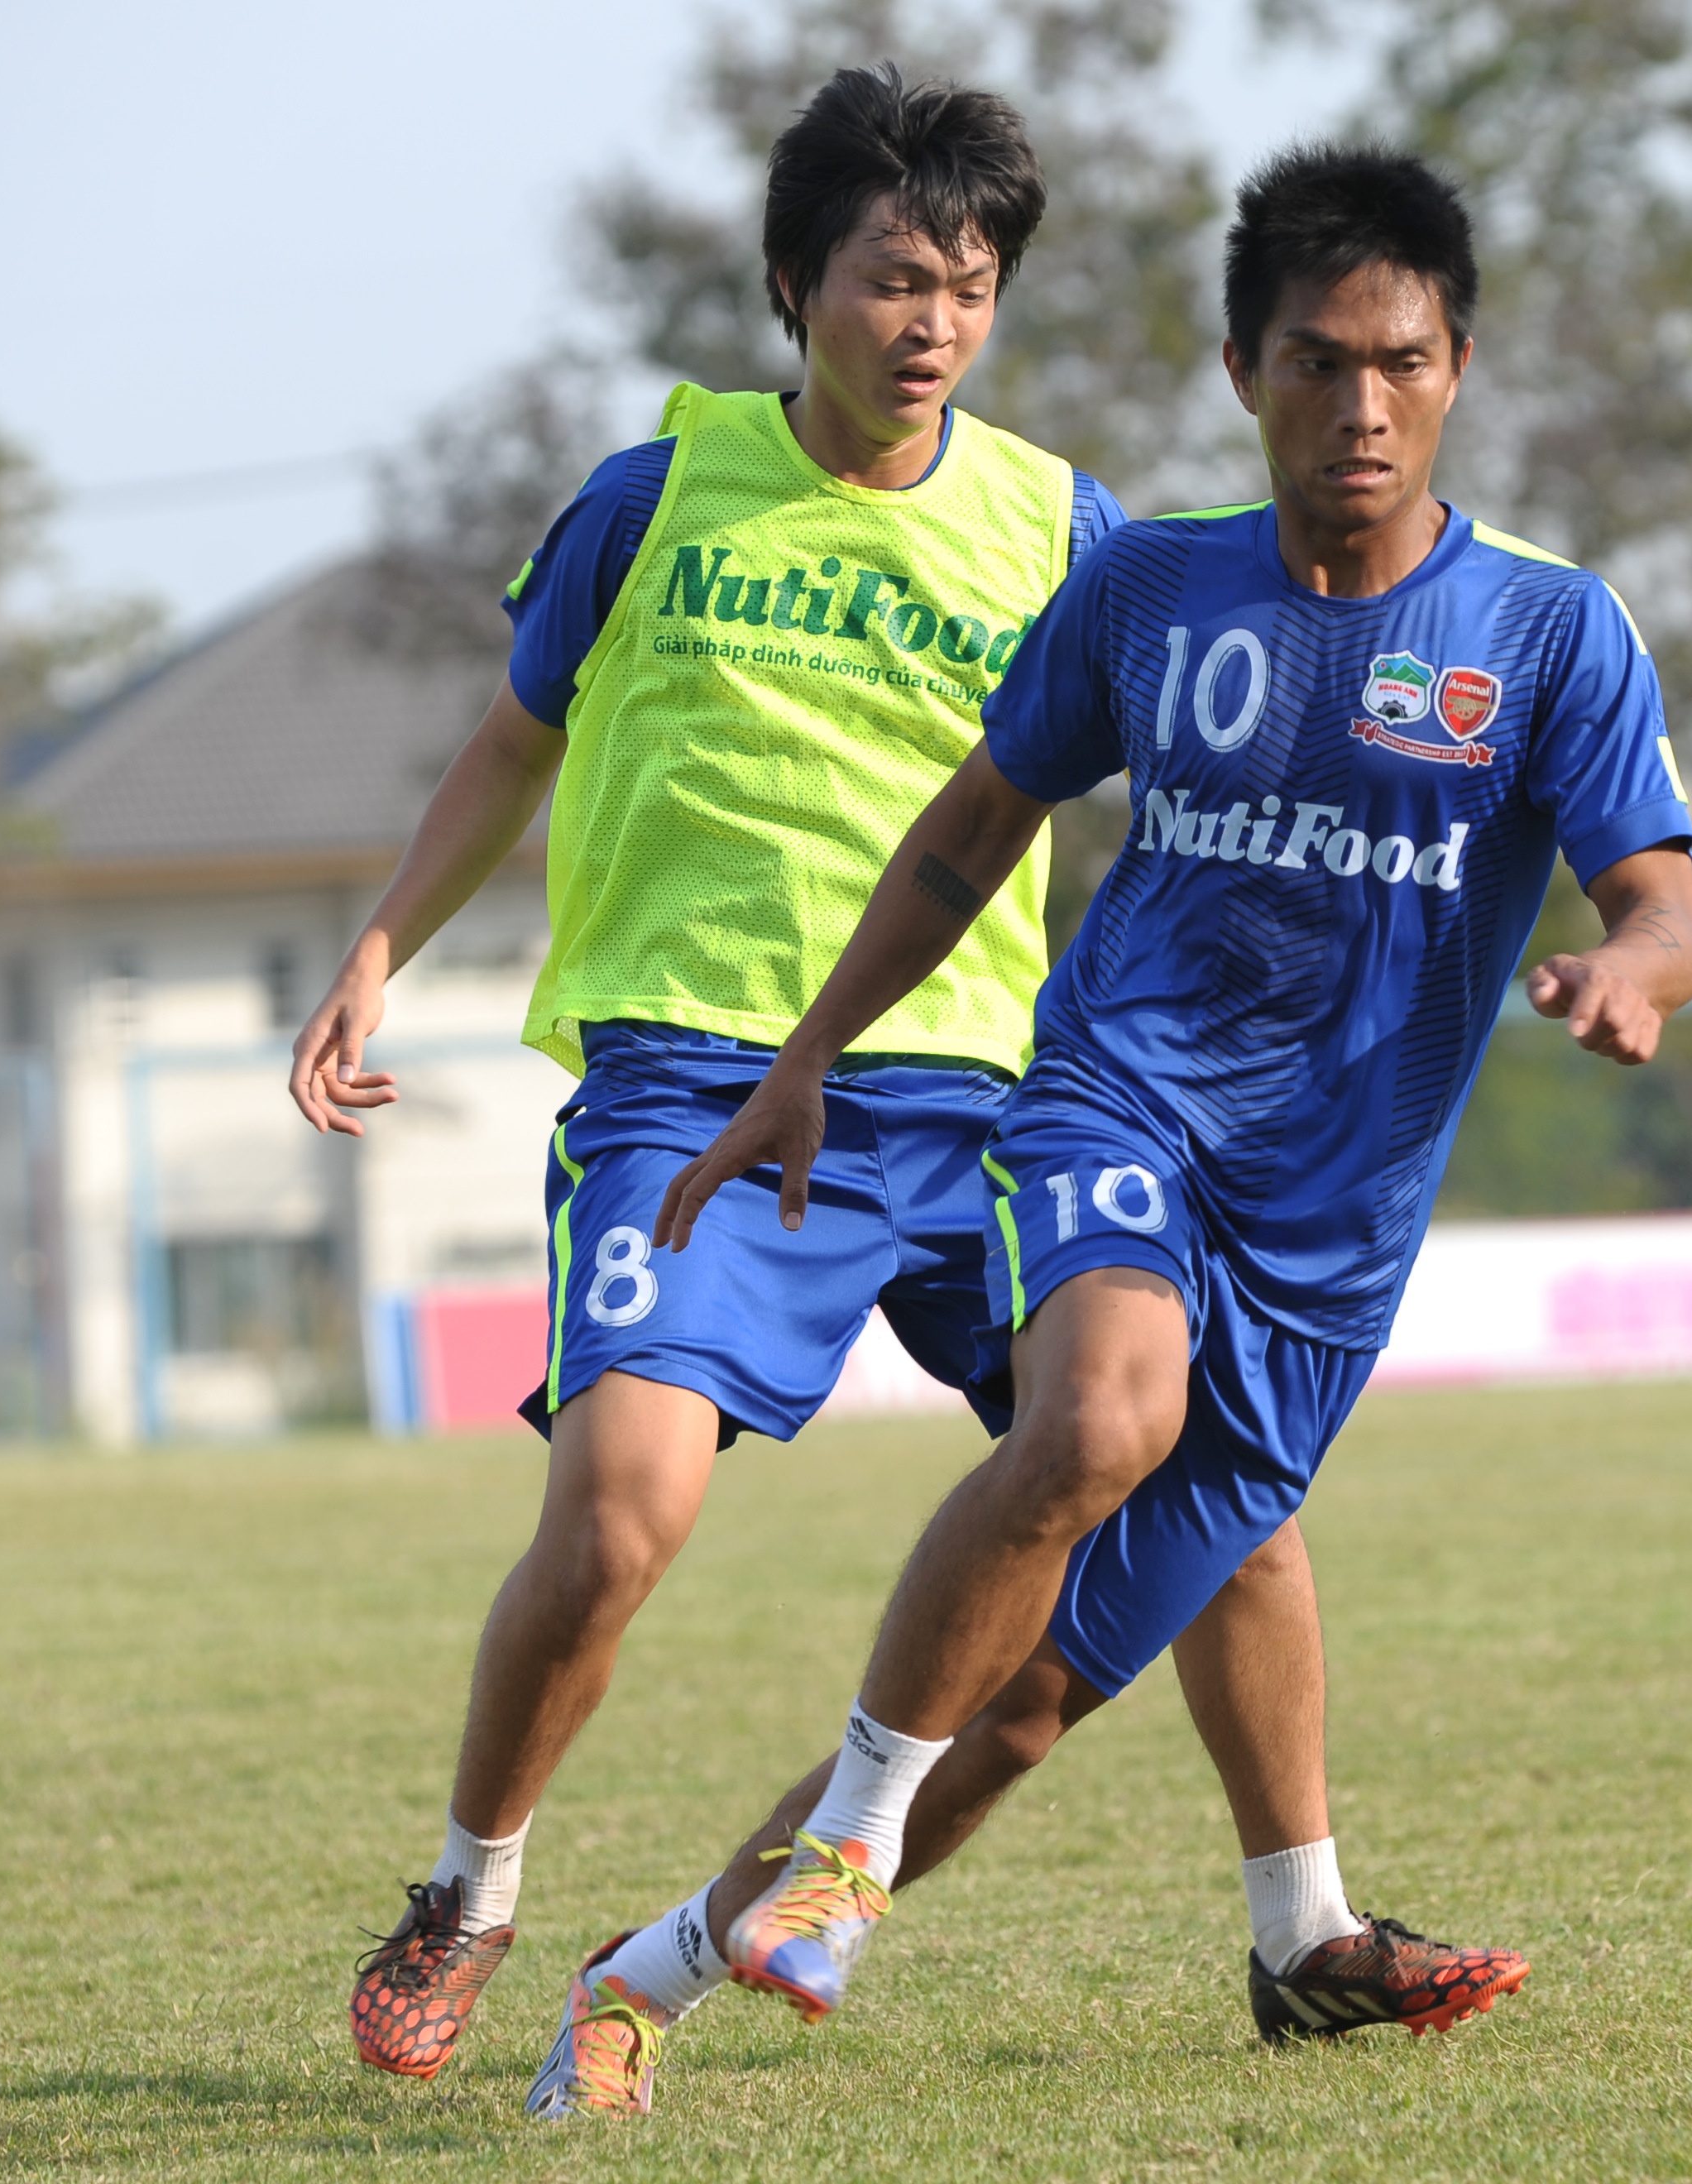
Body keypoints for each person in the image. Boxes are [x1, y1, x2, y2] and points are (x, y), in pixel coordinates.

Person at [292, 67, 1439, 2102]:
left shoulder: (1065, 529)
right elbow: (512, 740)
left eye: (970, 288)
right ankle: (467, 1895)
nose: (933, 324)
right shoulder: (655, 496)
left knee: (1207, 1476)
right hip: (697, 1091)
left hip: (993, 1097)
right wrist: (386, 943)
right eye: (895, 280)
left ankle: (1303, 1927)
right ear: (792, 284)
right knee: (616, 1522)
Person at [621, 138, 1692, 2089]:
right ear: (1239, 371)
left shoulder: (1551, 633)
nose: (1357, 407)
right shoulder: (1144, 587)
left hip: (1329, 1237)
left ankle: (652, 1974)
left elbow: (1662, 899)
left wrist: (1629, 970)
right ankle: (851, 1847)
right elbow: (969, 829)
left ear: (1457, 369)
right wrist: (804, 1060)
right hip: (1116, 1103)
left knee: (1032, 1703)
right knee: (1099, 1419)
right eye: (1313, 363)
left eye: (1398, 362)